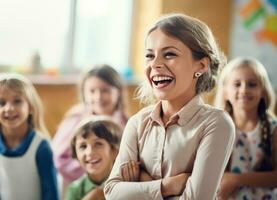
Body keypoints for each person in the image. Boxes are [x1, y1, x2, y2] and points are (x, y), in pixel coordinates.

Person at [104, 13, 236, 199]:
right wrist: (167, 186)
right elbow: (112, 193)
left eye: (169, 54)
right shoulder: (137, 123)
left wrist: (142, 182)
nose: (155, 64)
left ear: (201, 65)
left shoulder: (216, 124)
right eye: (150, 56)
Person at [52, 64, 128, 197]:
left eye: (105, 90)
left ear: (118, 92)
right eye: (92, 91)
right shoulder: (75, 119)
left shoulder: (126, 123)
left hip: (114, 186)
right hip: (75, 185)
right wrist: (91, 168)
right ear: (84, 94)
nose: (98, 96)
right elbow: (58, 157)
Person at [0, 74, 59, 200]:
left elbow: (50, 192)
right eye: (1, 103)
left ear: (31, 107)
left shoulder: (41, 146)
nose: (9, 108)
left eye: (17, 101)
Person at [214, 57, 277, 200]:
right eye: (237, 84)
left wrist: (237, 179)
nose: (244, 89)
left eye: (252, 84)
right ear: (225, 92)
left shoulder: (274, 129)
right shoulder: (217, 129)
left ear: (263, 92)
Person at [65, 116, 122, 200]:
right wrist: (94, 196)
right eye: (83, 146)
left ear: (114, 151)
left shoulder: (125, 182)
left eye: (98, 144)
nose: (89, 152)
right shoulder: (74, 189)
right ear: (76, 154)